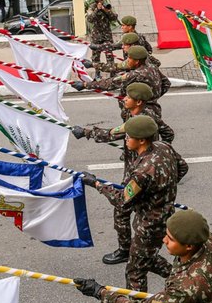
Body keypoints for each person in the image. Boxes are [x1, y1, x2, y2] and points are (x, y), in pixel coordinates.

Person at [71, 83, 174, 265]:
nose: (124, 99)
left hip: (138, 171)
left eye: (128, 97)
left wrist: (96, 184)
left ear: (139, 101)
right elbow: (169, 136)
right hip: (141, 162)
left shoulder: (139, 124)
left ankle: (126, 250)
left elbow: (112, 133)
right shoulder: (150, 119)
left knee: (122, 209)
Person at [81, 115, 187, 291]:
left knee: (135, 271)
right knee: (145, 256)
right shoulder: (164, 147)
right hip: (165, 215)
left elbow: (122, 200)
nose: (126, 139)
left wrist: (97, 184)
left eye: (129, 136)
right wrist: (163, 189)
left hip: (149, 223)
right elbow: (183, 167)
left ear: (142, 140)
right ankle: (179, 278)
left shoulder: (143, 171)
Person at [74, 209, 212, 303]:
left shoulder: (187, 288)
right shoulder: (208, 240)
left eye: (170, 239)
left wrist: (100, 292)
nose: (164, 240)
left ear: (189, 246)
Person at [86, 0, 118, 70]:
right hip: (96, 35)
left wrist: (106, 11)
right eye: (100, 2)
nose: (102, 3)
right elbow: (90, 19)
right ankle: (97, 73)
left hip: (107, 34)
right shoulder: (92, 8)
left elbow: (114, 18)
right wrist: (97, 10)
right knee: (96, 55)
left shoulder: (107, 6)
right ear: (96, 2)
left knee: (109, 54)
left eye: (102, 1)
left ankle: (111, 71)